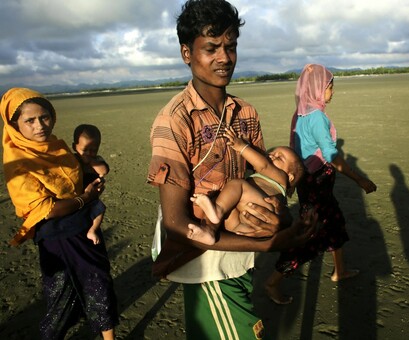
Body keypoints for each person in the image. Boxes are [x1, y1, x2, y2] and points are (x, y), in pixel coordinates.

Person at [147, 1, 315, 339]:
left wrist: (278, 222)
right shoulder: (174, 120)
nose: (224, 57)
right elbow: (179, 225)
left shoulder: (246, 112)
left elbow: (264, 183)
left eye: (231, 46)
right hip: (205, 263)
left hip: (241, 254)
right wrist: (272, 244)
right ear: (186, 53)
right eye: (211, 48)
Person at [1, 88, 118, 339]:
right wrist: (86, 197)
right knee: (61, 297)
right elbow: (46, 209)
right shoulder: (18, 162)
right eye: (29, 121)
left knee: (99, 284)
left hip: (85, 229)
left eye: (44, 117)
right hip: (57, 237)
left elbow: (90, 168)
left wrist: (92, 186)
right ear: (14, 125)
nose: (40, 126)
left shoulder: (58, 146)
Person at [265, 63, 378, 305]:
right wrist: (360, 179)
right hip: (317, 185)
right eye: (330, 86)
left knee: (335, 224)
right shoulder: (316, 118)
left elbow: (294, 150)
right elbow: (331, 156)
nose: (332, 91)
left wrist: (294, 182)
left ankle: (340, 271)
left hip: (309, 183)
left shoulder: (299, 114)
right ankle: (273, 282)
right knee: (307, 236)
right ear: (318, 88)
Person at [189, 126, 305, 245]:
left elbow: (263, 165)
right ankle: (209, 231)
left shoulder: (281, 177)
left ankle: (217, 211)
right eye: (271, 153)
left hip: (263, 206)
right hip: (246, 220)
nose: (271, 156)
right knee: (225, 204)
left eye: (279, 158)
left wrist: (241, 147)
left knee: (238, 184)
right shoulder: (263, 175)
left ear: (290, 177)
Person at [72, 124, 110, 245]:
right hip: (77, 195)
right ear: (74, 147)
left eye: (93, 150)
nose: (89, 153)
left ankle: (92, 230)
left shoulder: (97, 160)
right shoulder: (72, 160)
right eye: (85, 150)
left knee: (99, 209)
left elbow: (104, 171)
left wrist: (91, 161)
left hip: (92, 197)